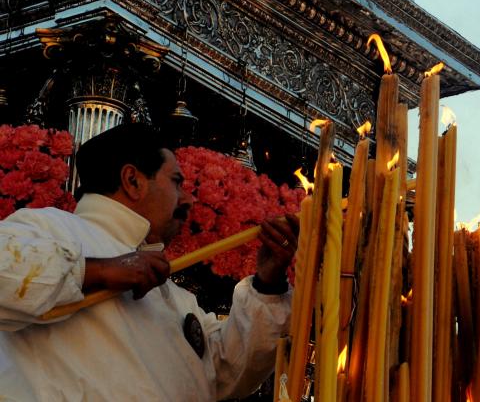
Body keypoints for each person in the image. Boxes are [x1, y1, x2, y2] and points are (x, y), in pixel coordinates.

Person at [0, 123, 300, 401]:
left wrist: (267, 283)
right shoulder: (52, 228)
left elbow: (226, 371)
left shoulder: (175, 298)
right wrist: (100, 271)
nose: (188, 200)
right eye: (176, 182)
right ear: (133, 181)